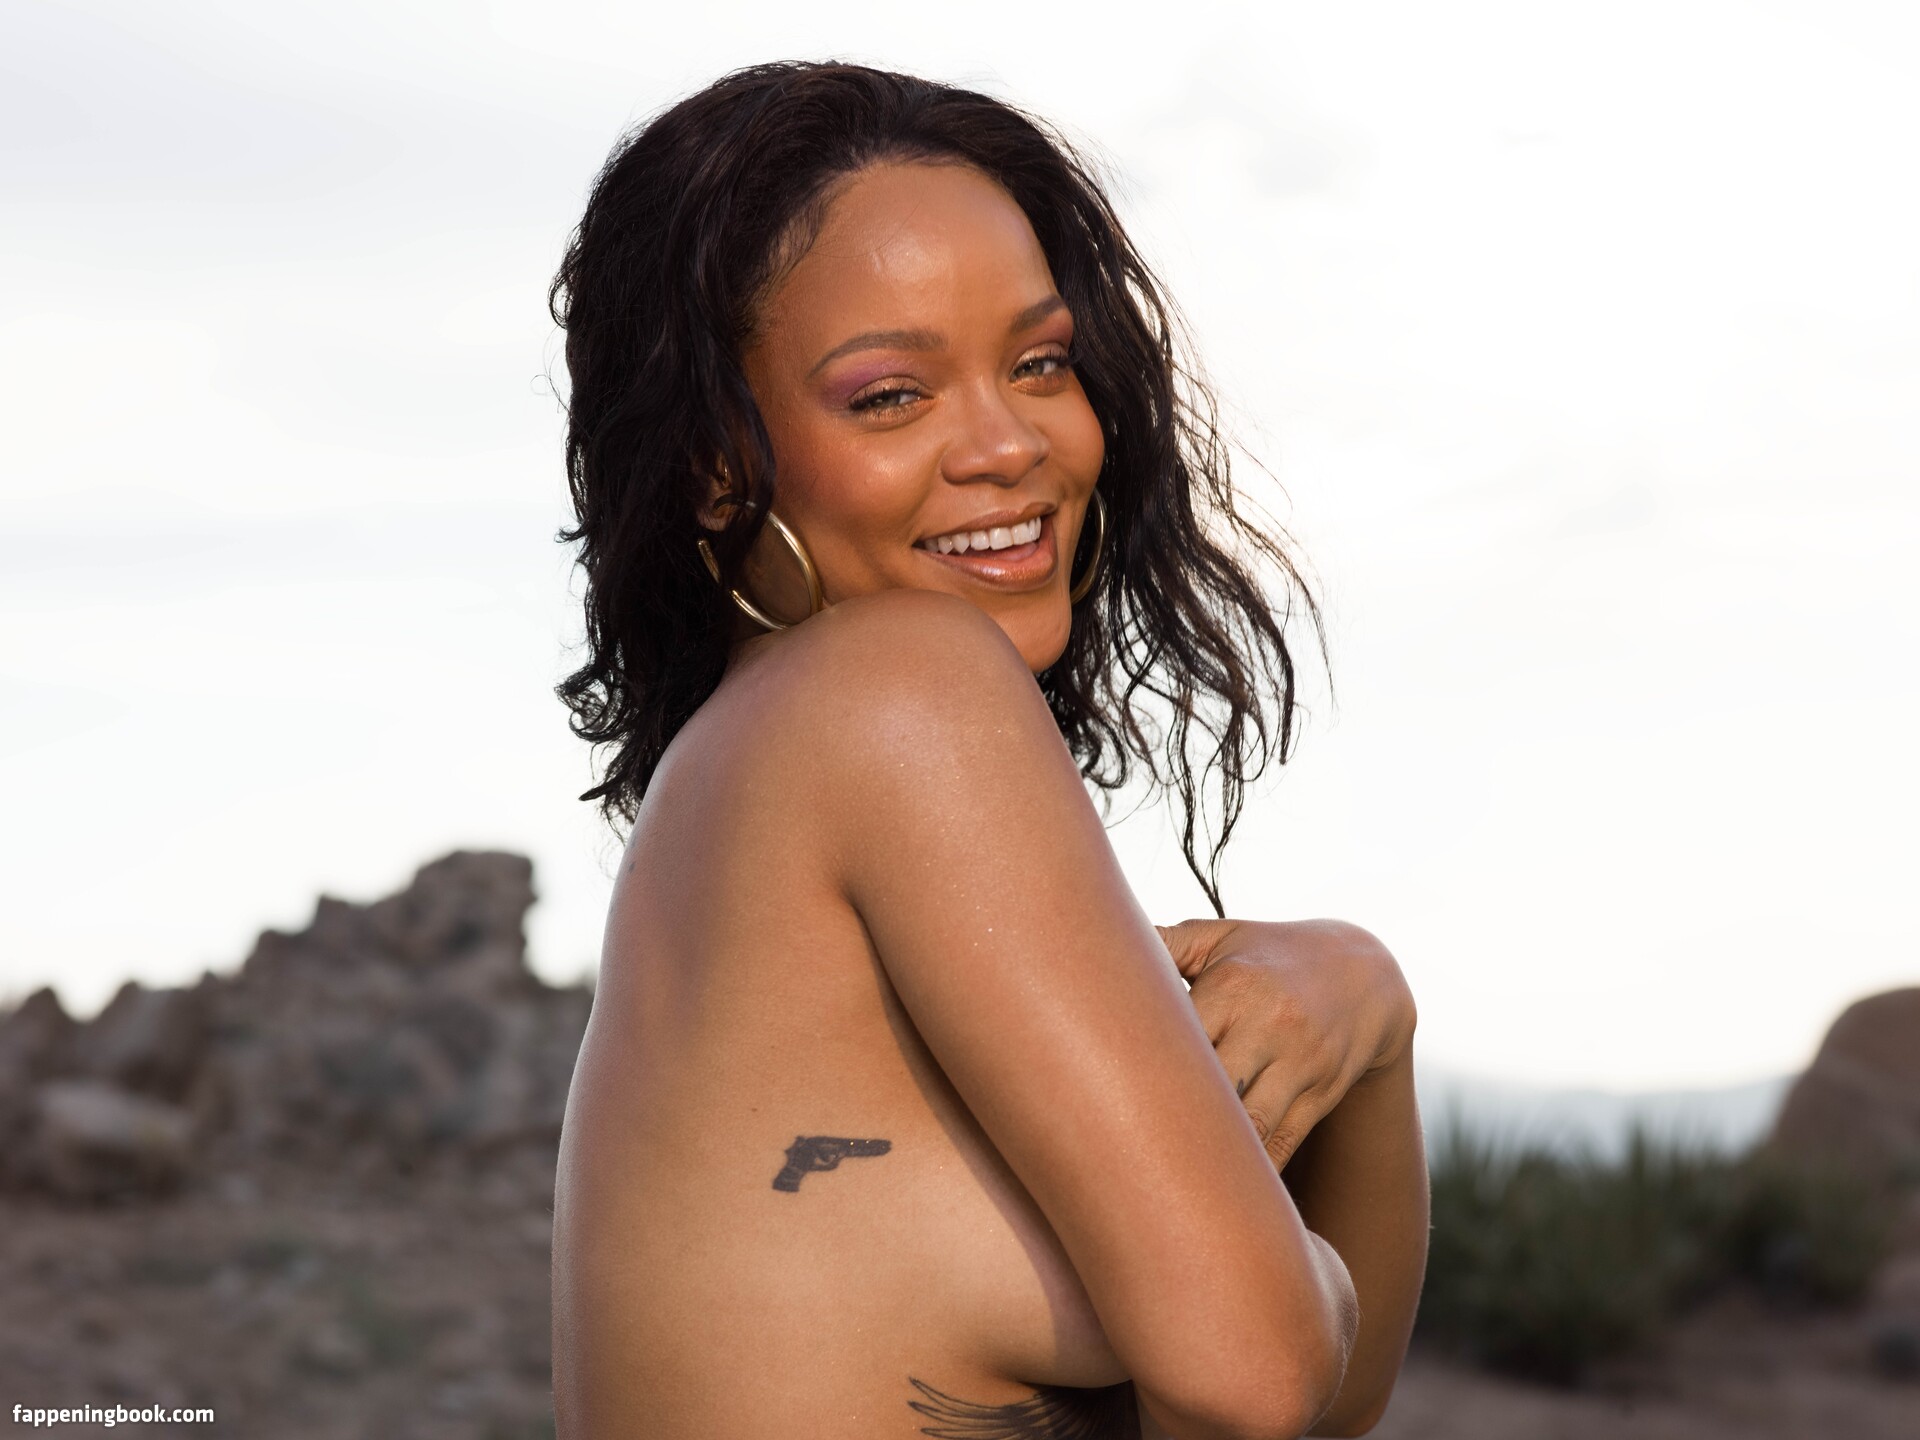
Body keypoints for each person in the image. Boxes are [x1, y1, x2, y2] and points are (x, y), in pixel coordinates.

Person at [547, 61, 1427, 1440]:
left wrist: (1372, 1021)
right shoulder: (898, 691)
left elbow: (1327, 1402)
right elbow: (1259, 1374)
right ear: (718, 462)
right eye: (892, 395)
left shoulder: (756, 796)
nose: (1009, 445)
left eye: (1038, 363)